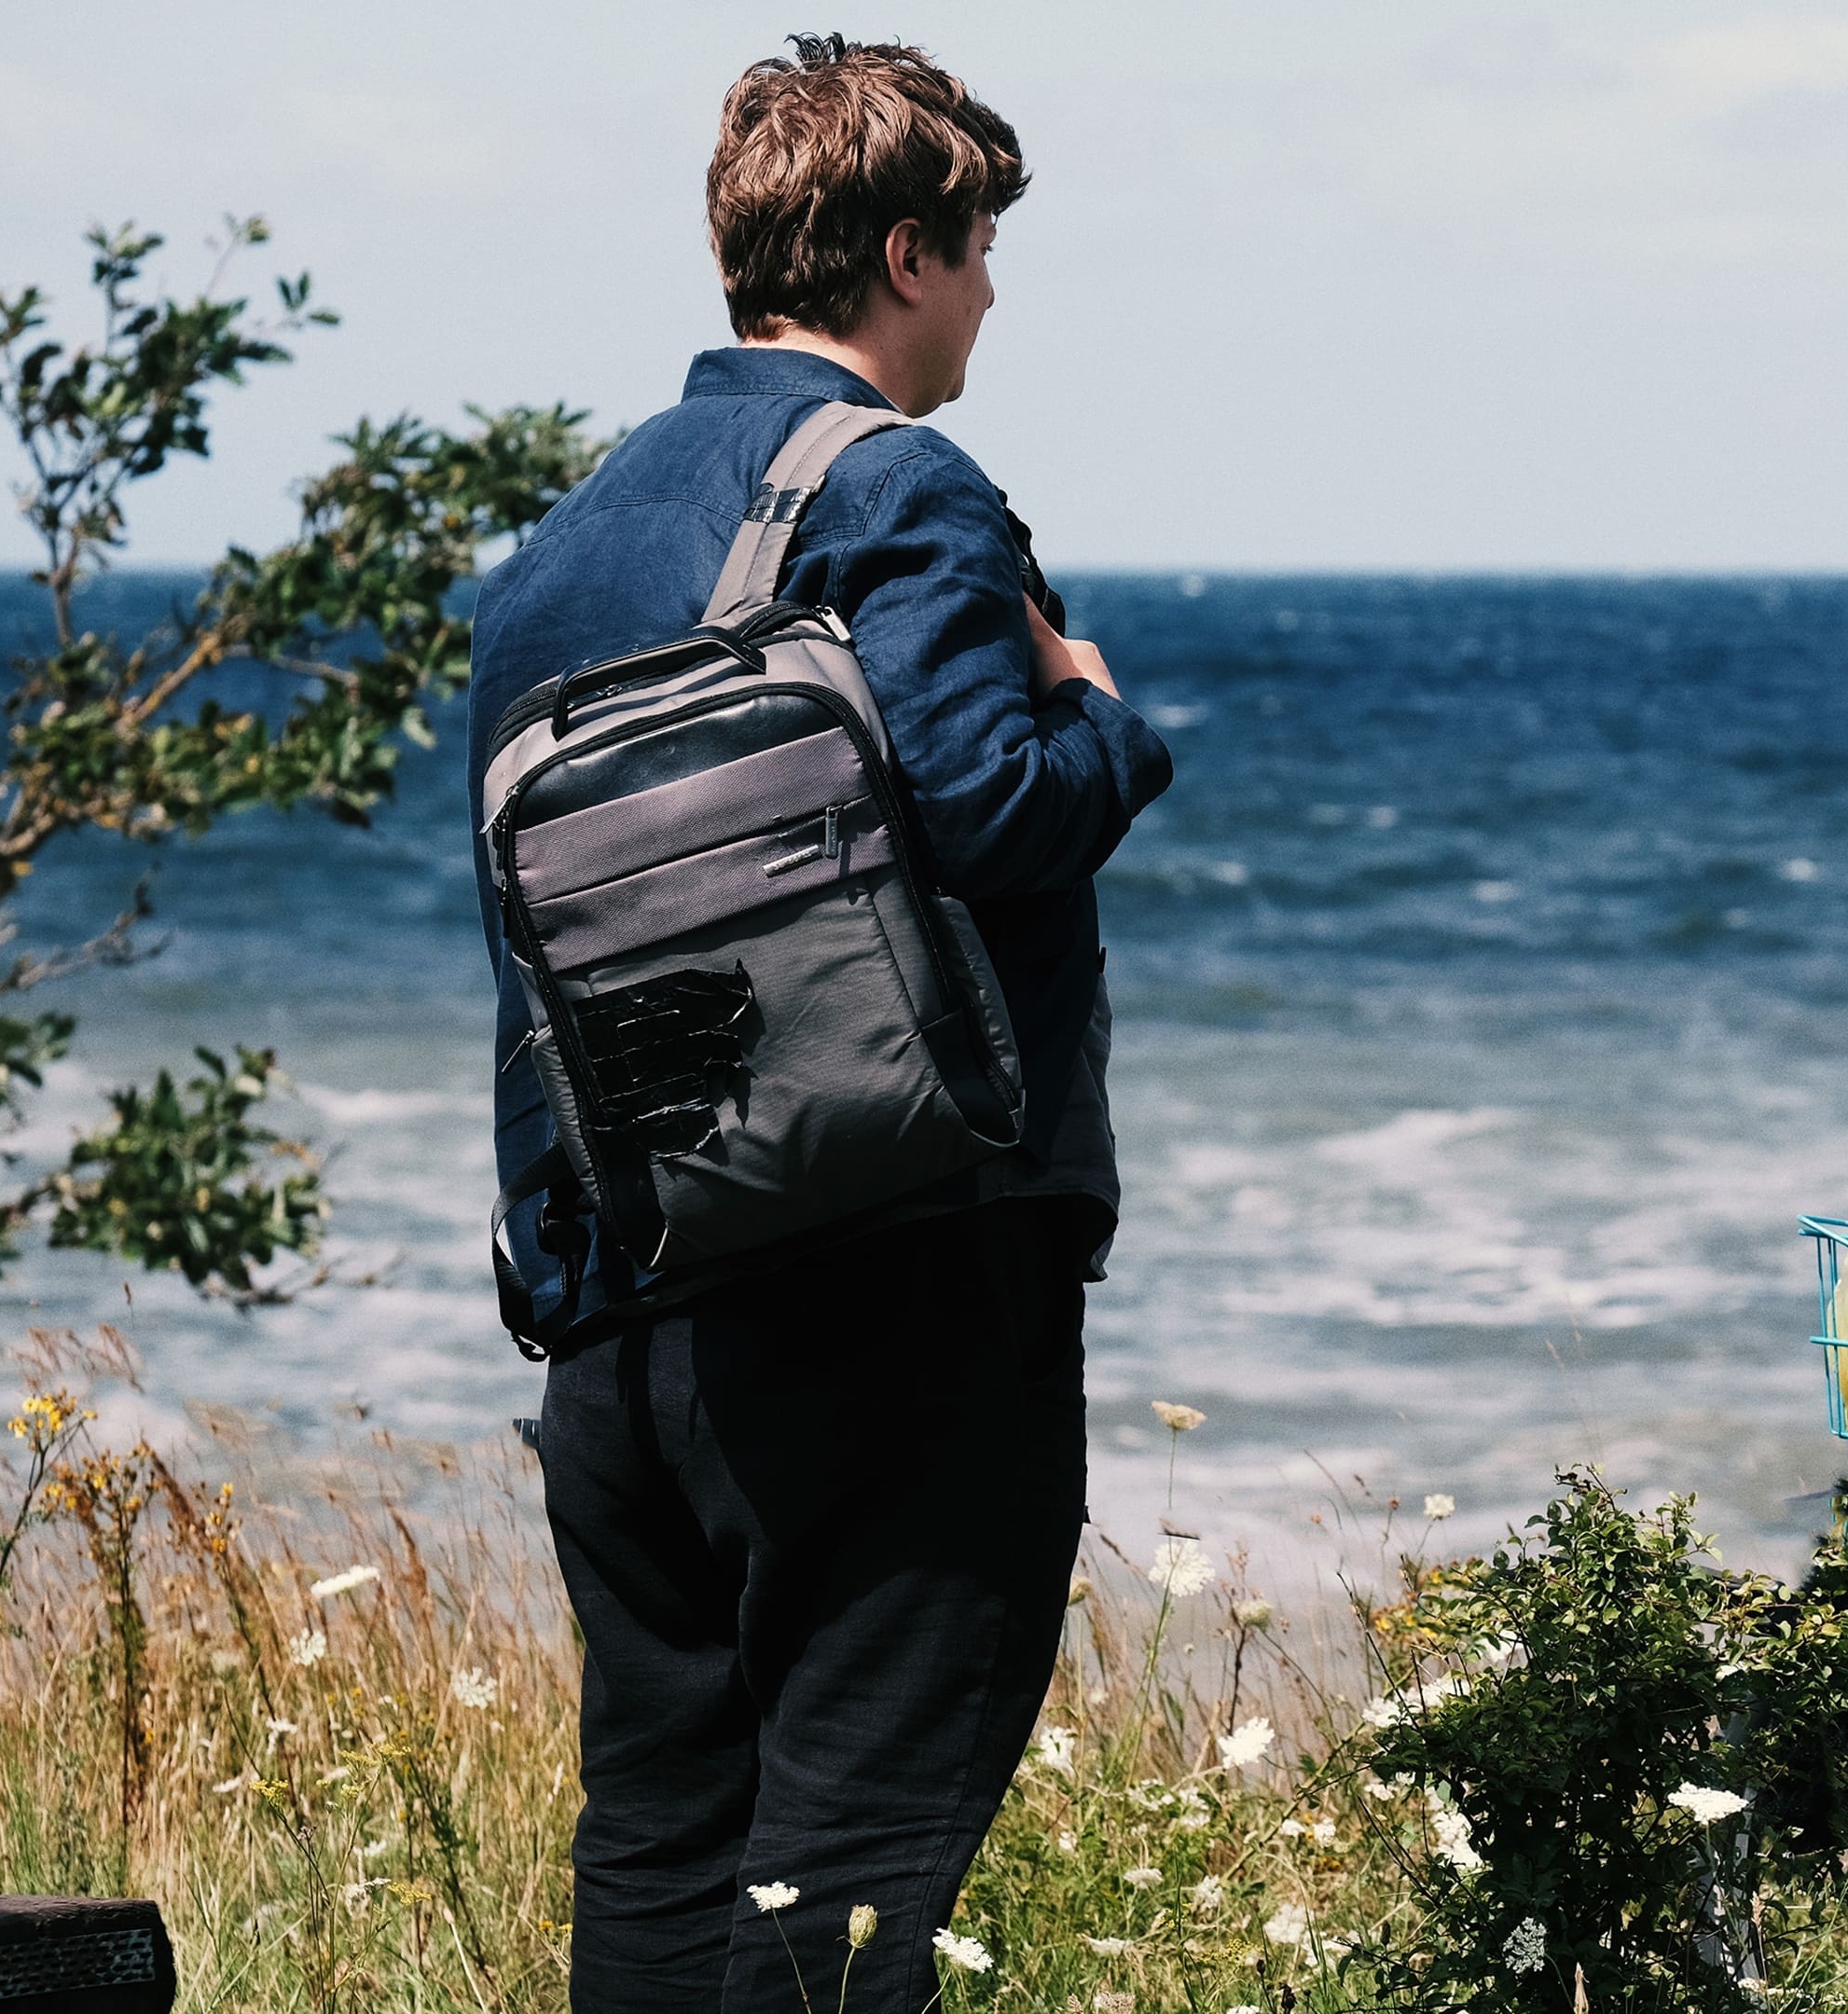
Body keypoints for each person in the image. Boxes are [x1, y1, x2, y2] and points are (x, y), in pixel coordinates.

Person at [462, 36, 1169, 2011]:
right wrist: (1106, 720)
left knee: (662, 1852)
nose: (995, 294)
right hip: (895, 1293)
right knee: (850, 1874)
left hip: (627, 1300)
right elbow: (993, 807)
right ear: (903, 253)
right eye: (981, 249)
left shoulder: (562, 544)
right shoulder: (900, 485)